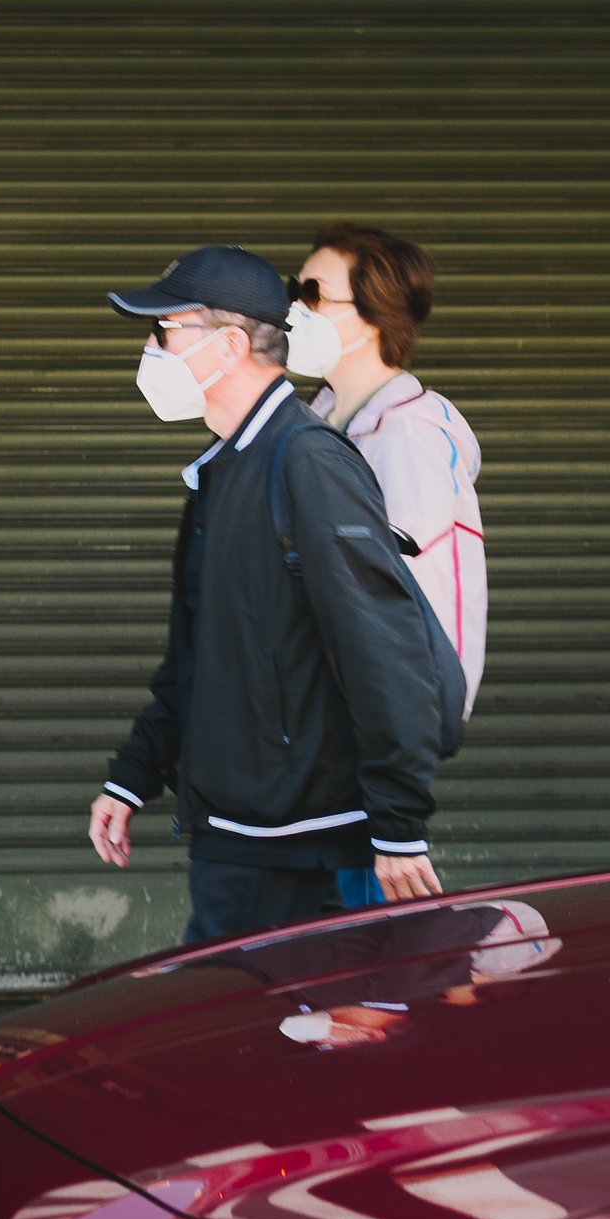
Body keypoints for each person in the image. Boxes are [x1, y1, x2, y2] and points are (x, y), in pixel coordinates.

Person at [87, 244, 449, 947]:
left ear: (228, 345)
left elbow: (386, 650)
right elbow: (196, 657)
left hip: (305, 853)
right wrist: (133, 776)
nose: (151, 349)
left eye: (165, 332)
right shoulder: (221, 470)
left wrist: (401, 827)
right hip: (235, 839)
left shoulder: (307, 461)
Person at [289, 227, 484, 706]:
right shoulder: (318, 417)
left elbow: (379, 582)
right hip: (326, 700)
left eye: (314, 295)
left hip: (390, 701)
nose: (294, 309)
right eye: (293, 290)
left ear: (373, 318)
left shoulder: (409, 430)